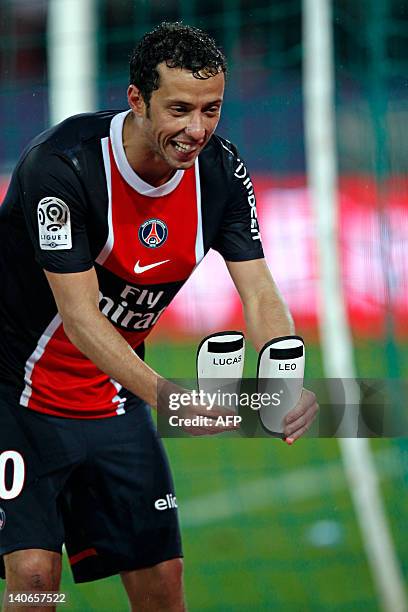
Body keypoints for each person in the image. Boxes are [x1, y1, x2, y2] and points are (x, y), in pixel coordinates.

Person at [0, 21, 318, 612]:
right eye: (178, 109)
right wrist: (171, 398)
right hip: (15, 398)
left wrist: (284, 376)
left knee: (163, 587)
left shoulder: (222, 173)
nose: (195, 130)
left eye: (211, 110)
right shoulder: (62, 166)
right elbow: (81, 318)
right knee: (34, 582)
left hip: (113, 400)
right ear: (137, 100)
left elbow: (259, 292)